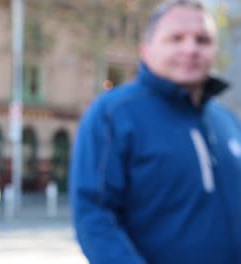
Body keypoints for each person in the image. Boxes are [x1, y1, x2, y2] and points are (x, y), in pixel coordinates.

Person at [69, 1, 241, 263]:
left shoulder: (226, 120)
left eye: (202, 40)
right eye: (176, 38)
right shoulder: (113, 115)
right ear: (146, 50)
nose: (191, 48)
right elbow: (94, 217)